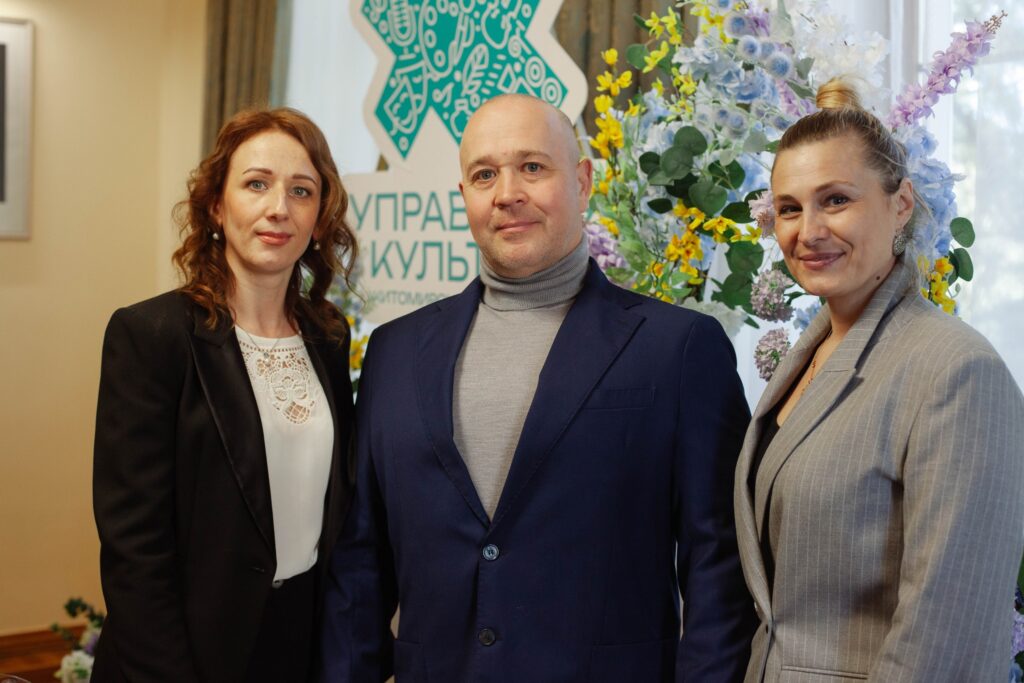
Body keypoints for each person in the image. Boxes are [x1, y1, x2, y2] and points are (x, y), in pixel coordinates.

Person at [321, 93, 757, 682]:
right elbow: (360, 566)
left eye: (532, 166)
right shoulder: (394, 353)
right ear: (465, 196)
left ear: (582, 181)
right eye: (485, 175)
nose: (507, 193)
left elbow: (719, 569)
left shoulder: (677, 348)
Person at [734, 79, 1024, 682]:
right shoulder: (805, 359)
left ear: (901, 204)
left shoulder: (956, 371)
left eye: (836, 200)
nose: (808, 230)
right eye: (789, 208)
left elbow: (947, 634)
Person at [92, 108, 357, 682]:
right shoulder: (152, 336)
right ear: (216, 206)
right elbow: (135, 550)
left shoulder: (329, 336)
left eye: (301, 190)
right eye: (256, 184)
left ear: (319, 218)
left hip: (301, 639)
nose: (279, 207)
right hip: (185, 649)